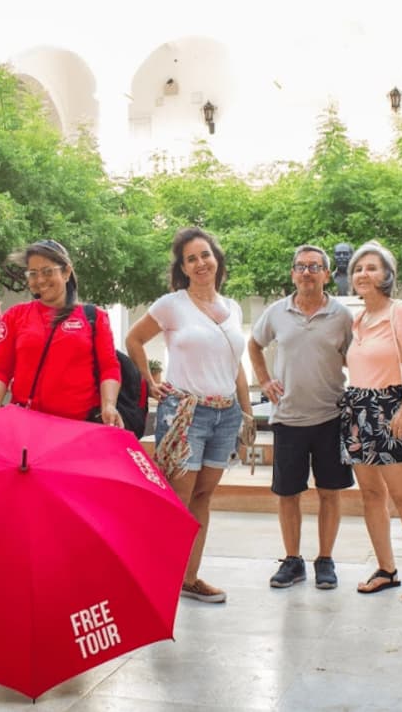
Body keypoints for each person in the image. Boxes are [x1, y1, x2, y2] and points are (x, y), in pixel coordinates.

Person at [126, 227, 253, 604]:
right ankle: (158, 579)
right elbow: (134, 339)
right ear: (183, 268)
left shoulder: (233, 308)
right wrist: (149, 381)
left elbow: (236, 365)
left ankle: (190, 577)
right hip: (184, 413)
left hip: (225, 414)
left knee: (203, 497)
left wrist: (246, 414)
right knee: (177, 500)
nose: (201, 263)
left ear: (217, 259)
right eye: (191, 259)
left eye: (206, 255)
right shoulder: (171, 304)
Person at [248, 244, 354, 590]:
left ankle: (325, 559)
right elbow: (254, 344)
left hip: (330, 416)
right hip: (288, 419)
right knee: (288, 493)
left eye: (314, 266)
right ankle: (292, 561)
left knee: (329, 492)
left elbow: (357, 356)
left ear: (325, 274)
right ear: (293, 274)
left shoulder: (342, 316)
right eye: (300, 266)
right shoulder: (277, 312)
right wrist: (264, 380)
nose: (307, 272)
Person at [339, 240, 402, 602]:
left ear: (387, 275)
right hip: (357, 406)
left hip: (391, 405)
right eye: (358, 269)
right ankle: (386, 569)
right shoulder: (358, 318)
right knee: (370, 495)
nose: (364, 273)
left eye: (372, 267)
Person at [0, 239, 124, 426]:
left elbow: (109, 367)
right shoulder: (14, 316)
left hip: (78, 428)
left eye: (47, 271)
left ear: (66, 272)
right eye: (33, 274)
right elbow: (1, 369)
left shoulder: (94, 317)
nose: (40, 280)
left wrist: (108, 405)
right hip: (26, 425)